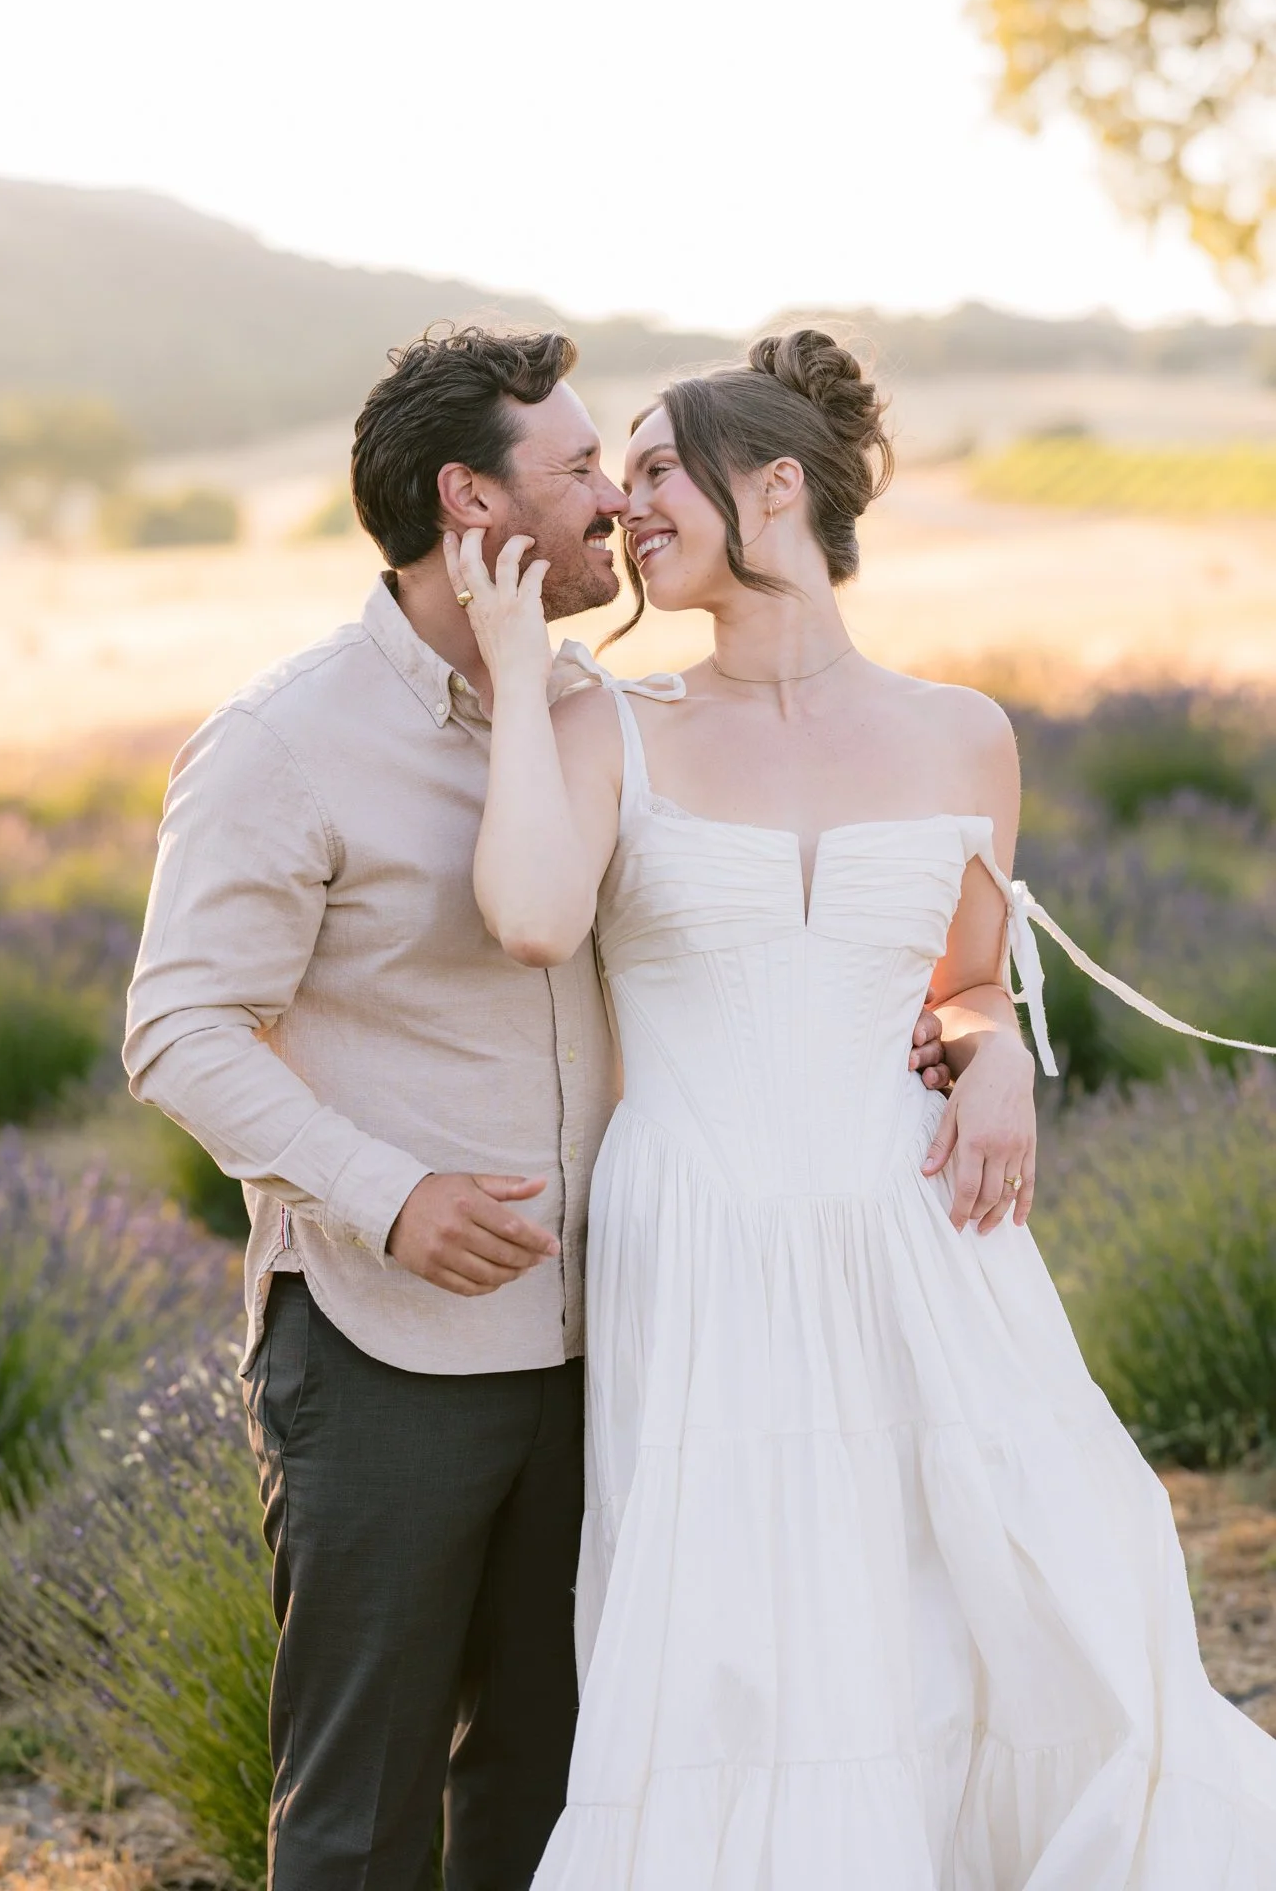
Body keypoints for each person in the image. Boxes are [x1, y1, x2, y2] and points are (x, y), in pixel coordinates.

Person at [122, 325, 955, 1891]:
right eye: (581, 469)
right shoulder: (281, 743)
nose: (617, 506)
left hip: (626, 1338)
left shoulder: (587, 715)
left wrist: (961, 1049)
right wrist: (387, 1194)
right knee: (360, 1807)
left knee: (563, 1785)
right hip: (391, 1349)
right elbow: (176, 1026)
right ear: (470, 502)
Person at [449, 326, 1276, 1889]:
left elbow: (958, 983)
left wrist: (1004, 1052)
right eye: (614, 480)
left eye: (653, 471)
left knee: (1012, 1589)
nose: (623, 510)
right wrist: (509, 679)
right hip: (703, 1227)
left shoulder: (966, 732)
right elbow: (534, 919)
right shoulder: (607, 726)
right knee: (742, 1631)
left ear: (776, 485)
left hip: (917, 1228)